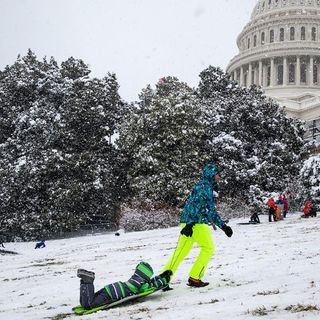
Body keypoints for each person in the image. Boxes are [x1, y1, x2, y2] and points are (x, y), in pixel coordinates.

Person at [162, 162, 233, 288]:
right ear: (211, 174)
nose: (219, 176)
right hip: (197, 222)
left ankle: (163, 279)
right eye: (218, 174)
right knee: (208, 248)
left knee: (181, 252)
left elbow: (203, 207)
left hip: (189, 221)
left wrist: (223, 226)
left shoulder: (203, 185)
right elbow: (198, 206)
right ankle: (195, 277)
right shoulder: (205, 187)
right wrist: (190, 224)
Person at [77, 262, 171, 310]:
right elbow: (153, 285)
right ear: (146, 276)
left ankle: (85, 281)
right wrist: (164, 279)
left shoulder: (135, 279)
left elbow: (151, 282)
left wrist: (161, 275)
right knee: (89, 305)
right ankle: (87, 281)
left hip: (111, 288)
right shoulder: (141, 285)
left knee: (87, 301)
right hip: (113, 294)